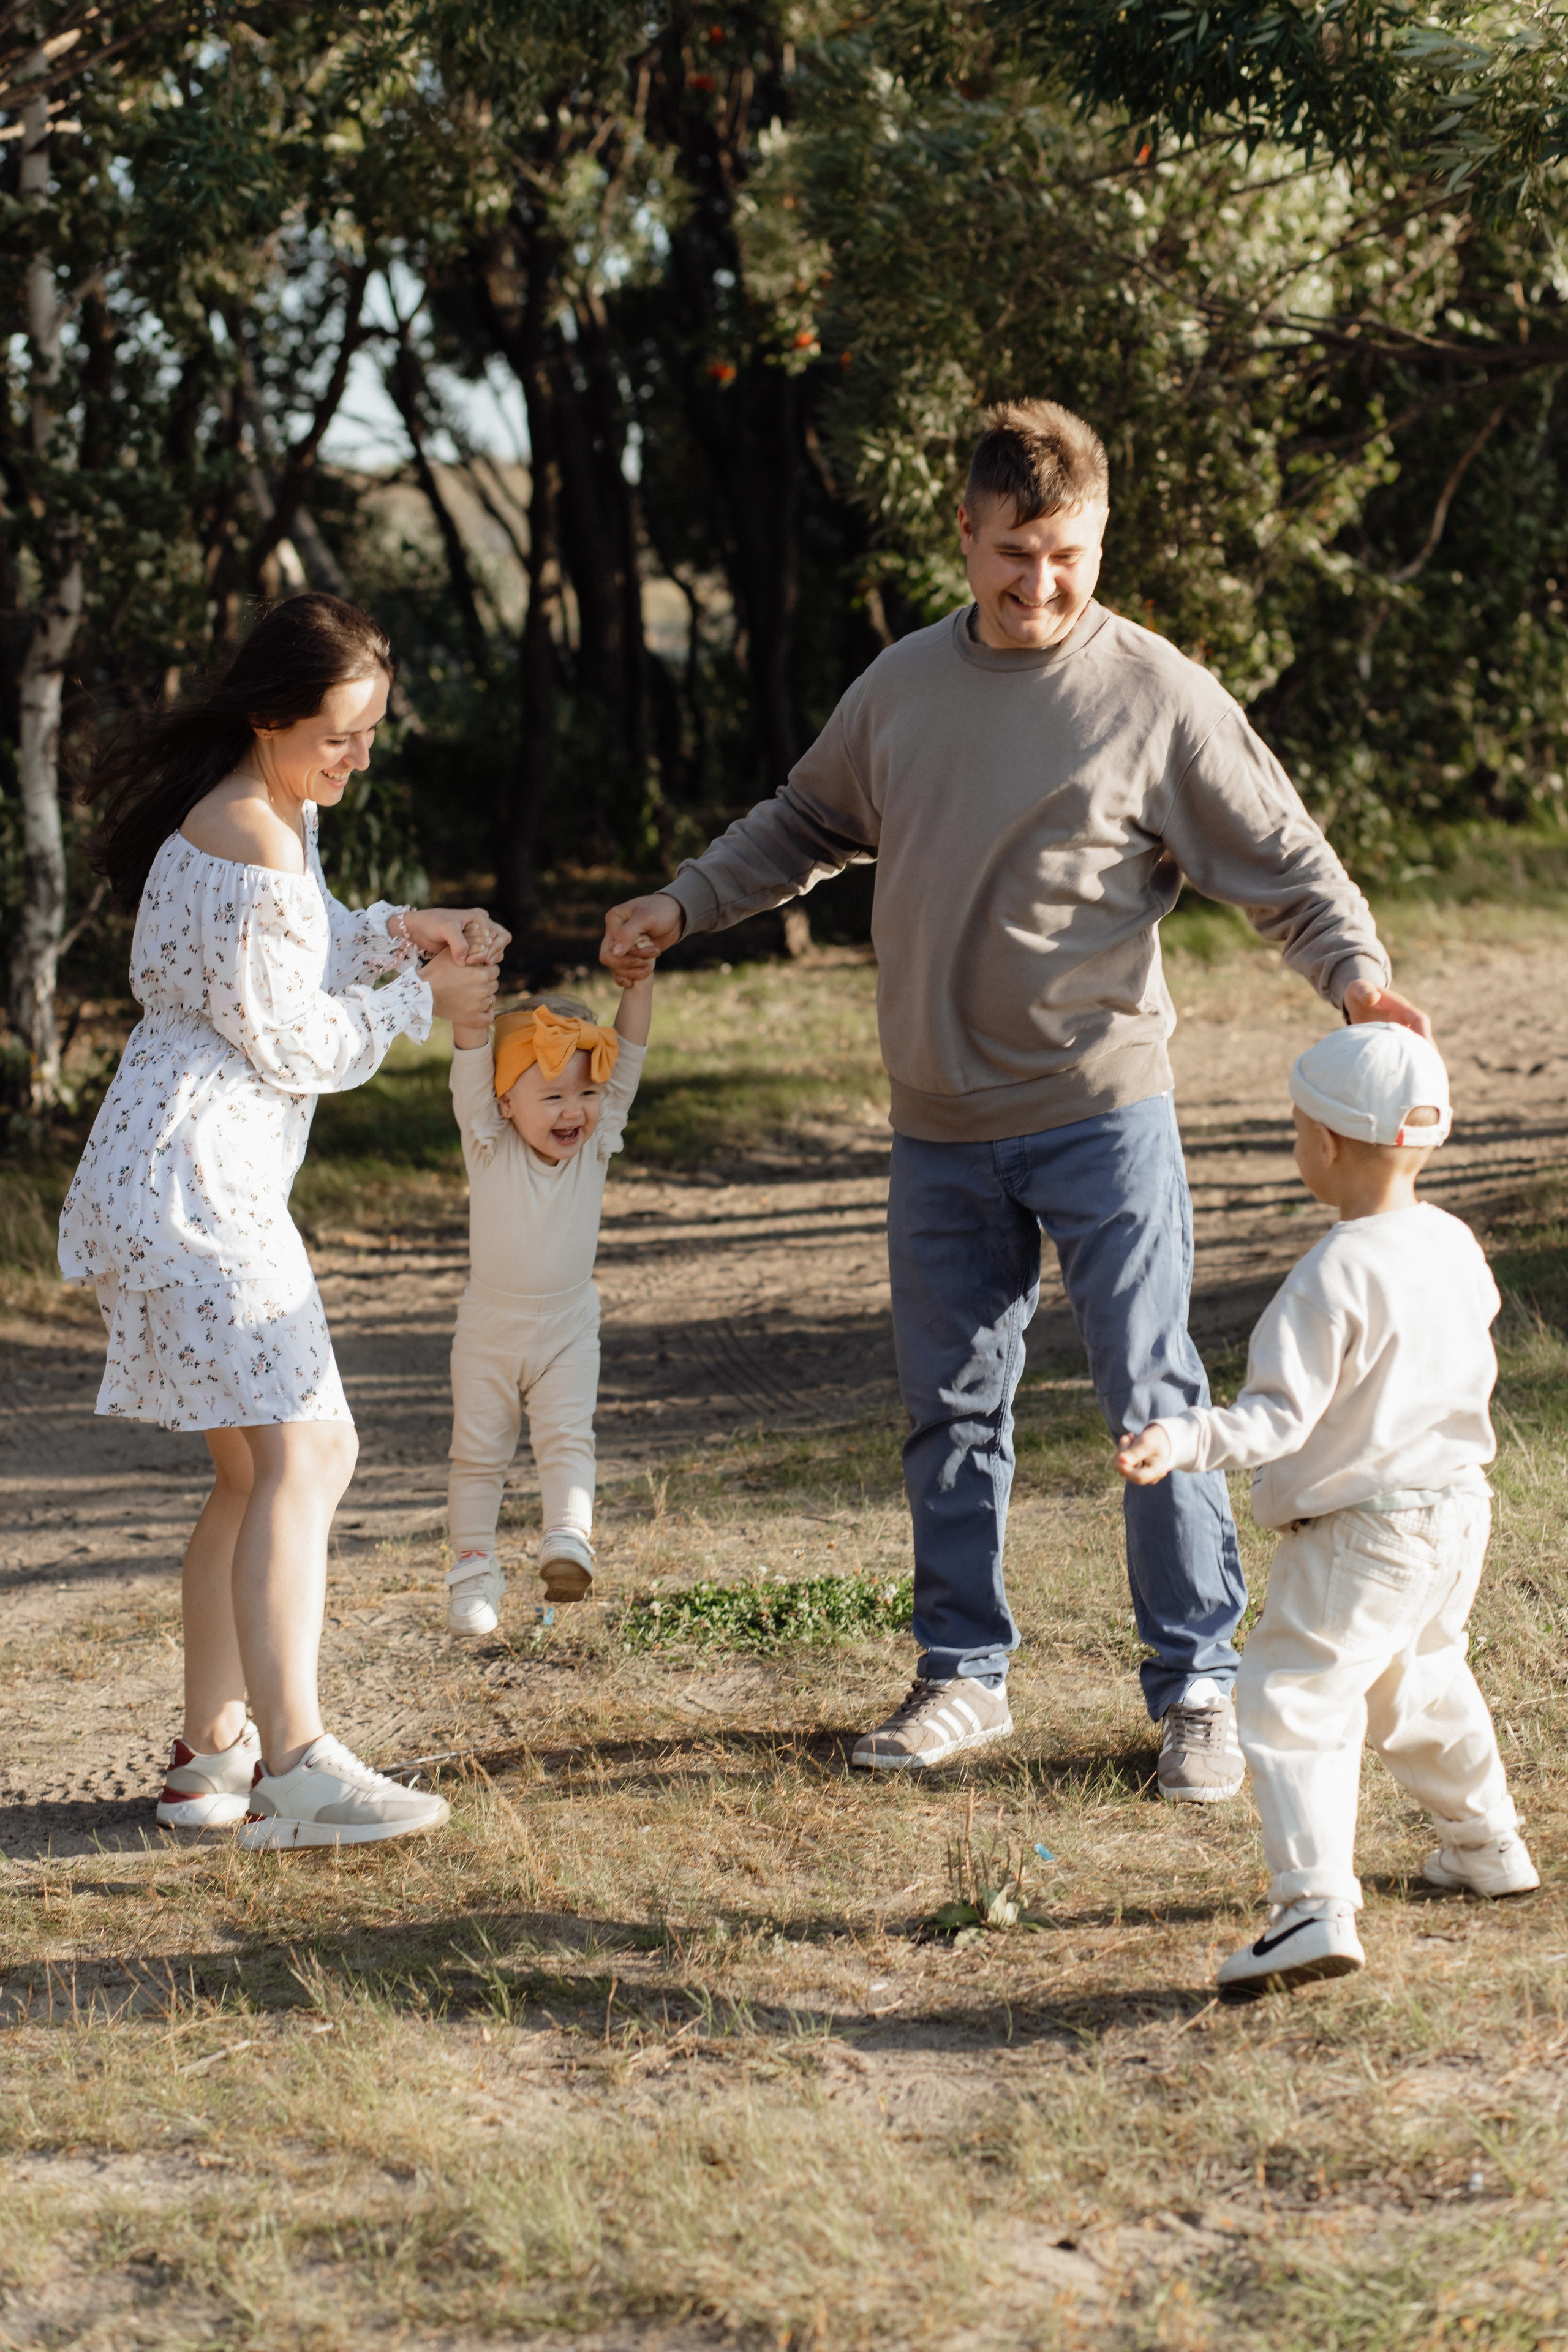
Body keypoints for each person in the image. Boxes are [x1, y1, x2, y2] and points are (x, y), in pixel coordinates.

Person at [598, 396, 1431, 1794]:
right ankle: (963, 1674)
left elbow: (1282, 860)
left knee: (1149, 1391)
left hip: (1098, 1111)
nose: (1043, 584)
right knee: (947, 1410)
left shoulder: (1153, 696)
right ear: (964, 535)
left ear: (1096, 536)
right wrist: (683, 903)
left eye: (1071, 554)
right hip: (935, 1124)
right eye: (1016, 555)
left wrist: (1353, 979)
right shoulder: (899, 690)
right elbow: (805, 823)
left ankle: (1196, 1687)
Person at [60, 593, 505, 1850]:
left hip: (177, 1173)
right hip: (199, 1184)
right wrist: (421, 991)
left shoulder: (267, 817)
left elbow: (281, 961)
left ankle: (213, 1754)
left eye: (369, 736)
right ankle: (299, 1767)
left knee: (255, 1466)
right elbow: (297, 1038)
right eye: (339, 737)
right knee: (313, 1451)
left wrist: (393, 932)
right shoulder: (252, 834)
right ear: (269, 718)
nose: (356, 760)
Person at [1118, 1024, 1538, 1997]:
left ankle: (1312, 1907)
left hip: (1361, 1531)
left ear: (1328, 1146)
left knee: (1292, 1700)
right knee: (1420, 1682)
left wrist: (1180, 1441)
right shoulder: (1452, 1242)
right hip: (1457, 1511)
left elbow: (1272, 1420)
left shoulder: (1332, 1274)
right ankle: (1486, 1845)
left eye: (1298, 1126)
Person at [442, 968, 653, 1635]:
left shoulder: (595, 1146)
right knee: (478, 1455)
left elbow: (633, 1049)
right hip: (490, 1330)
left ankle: (568, 1538)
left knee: (568, 1437)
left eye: (588, 1093)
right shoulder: (488, 1142)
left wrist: (639, 981)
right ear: (504, 1100)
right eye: (554, 1094)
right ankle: (473, 1572)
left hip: (568, 1325)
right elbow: (471, 1050)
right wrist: (471, 977)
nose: (574, 1111)